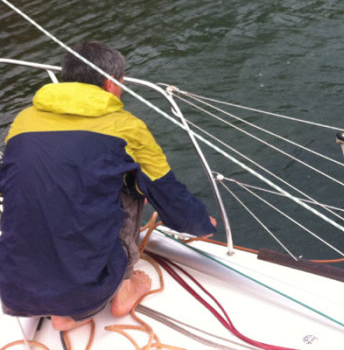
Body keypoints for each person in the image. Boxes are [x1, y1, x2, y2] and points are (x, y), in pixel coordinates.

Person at [0, 41, 217, 331]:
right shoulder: (125, 126)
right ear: (114, 83)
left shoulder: (23, 121)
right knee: (133, 183)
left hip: (13, 290)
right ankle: (123, 290)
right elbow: (165, 189)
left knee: (41, 182)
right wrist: (200, 223)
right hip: (88, 289)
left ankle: (61, 313)